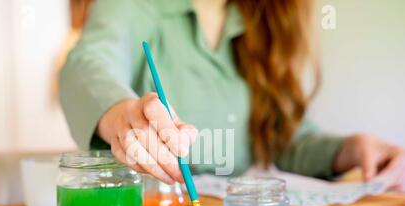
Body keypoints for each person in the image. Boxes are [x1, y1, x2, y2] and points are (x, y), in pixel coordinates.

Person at [59, 0, 404, 191]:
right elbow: (87, 64)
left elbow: (284, 139)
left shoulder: (266, 18)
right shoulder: (133, 6)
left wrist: (352, 150)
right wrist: (122, 114)